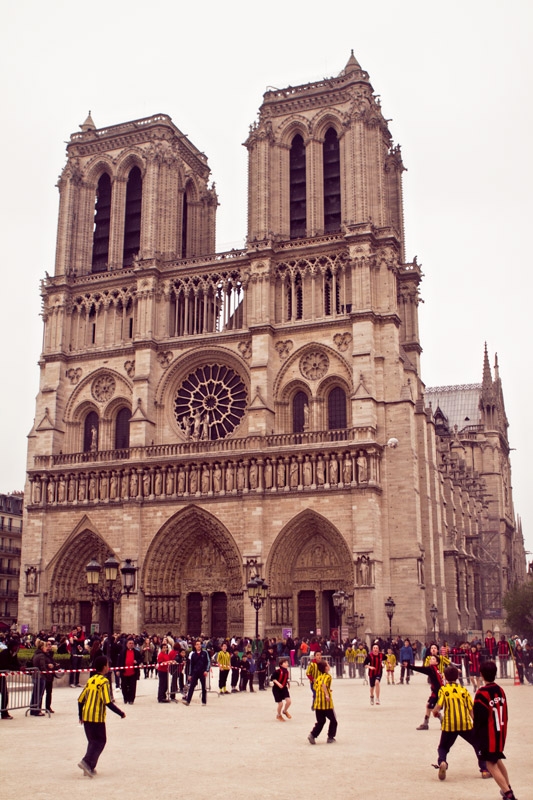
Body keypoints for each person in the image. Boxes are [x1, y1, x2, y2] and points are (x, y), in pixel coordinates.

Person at [431, 665, 491, 782]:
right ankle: (484, 770)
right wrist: (476, 723)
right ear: (458, 677)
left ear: (445, 678)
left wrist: (434, 712)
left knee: (443, 747)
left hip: (450, 725)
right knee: (477, 744)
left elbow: (438, 706)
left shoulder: (444, 690)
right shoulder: (464, 691)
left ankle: (443, 762)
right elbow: (471, 709)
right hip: (465, 724)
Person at [473, 660, 516, 799]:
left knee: (490, 764)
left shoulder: (481, 693)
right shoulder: (500, 690)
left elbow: (479, 719)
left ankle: (508, 794)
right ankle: (507, 788)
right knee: (497, 759)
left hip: (488, 735)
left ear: (481, 675)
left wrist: (476, 736)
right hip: (500, 731)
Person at [77, 655, 126, 777]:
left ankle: (89, 767)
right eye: (108, 665)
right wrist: (120, 713)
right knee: (101, 741)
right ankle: (86, 761)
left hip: (87, 715)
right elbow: (107, 701)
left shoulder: (91, 680)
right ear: (104, 667)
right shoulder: (104, 681)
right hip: (97, 717)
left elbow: (80, 699)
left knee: (92, 741)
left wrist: (80, 715)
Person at [410, 654, 444, 729]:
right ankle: (426, 723)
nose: (430, 660)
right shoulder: (436, 669)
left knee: (433, 709)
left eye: (433, 659)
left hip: (438, 693)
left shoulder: (432, 669)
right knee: (428, 706)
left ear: (437, 662)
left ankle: (443, 721)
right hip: (437, 692)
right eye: (430, 659)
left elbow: (421, 669)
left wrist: (409, 666)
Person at [308, 661, 337, 744]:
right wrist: (327, 694)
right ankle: (330, 737)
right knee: (333, 720)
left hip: (318, 703)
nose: (329, 665)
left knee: (321, 721)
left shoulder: (318, 678)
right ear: (325, 668)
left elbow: (316, 687)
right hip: (326, 703)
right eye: (327, 665)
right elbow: (324, 685)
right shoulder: (328, 676)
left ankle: (312, 735)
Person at [30, 640, 55, 716]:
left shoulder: (36, 654)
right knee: (39, 694)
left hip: (35, 676)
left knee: (35, 693)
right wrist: (47, 674)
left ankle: (33, 709)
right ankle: (37, 710)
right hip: (40, 676)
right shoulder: (41, 655)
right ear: (42, 647)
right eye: (45, 646)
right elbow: (42, 667)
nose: (46, 648)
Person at [182, 640, 210, 706]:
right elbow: (191, 665)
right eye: (197, 644)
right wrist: (190, 674)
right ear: (195, 646)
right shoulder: (193, 655)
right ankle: (188, 701)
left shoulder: (205, 653)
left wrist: (206, 670)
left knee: (203, 687)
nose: (199, 646)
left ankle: (204, 701)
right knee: (191, 687)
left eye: (200, 644)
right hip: (195, 672)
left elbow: (207, 662)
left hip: (202, 672)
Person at [0, 637, 20, 719]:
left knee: (5, 694)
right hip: (0, 674)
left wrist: (20, 667)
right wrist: (16, 668)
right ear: (12, 646)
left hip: (2, 676)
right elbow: (5, 665)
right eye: (16, 646)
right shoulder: (4, 653)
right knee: (4, 693)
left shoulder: (14, 654)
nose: (17, 648)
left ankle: (4, 712)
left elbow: (15, 664)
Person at [118, 637, 141, 704]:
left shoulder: (136, 652)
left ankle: (131, 699)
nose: (131, 644)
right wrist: (118, 670)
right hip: (124, 672)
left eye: (132, 643)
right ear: (126, 644)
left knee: (132, 686)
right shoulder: (122, 652)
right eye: (130, 643)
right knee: (124, 686)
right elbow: (119, 661)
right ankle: (125, 698)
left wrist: (137, 661)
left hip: (133, 672)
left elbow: (140, 659)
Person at [272, 657, 291, 721]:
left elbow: (285, 678)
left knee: (289, 701)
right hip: (276, 689)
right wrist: (278, 684)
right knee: (280, 704)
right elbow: (273, 678)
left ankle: (285, 711)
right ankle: (279, 715)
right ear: (281, 664)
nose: (287, 664)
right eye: (285, 663)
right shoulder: (277, 671)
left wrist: (287, 682)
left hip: (284, 688)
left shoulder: (286, 672)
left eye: (287, 663)